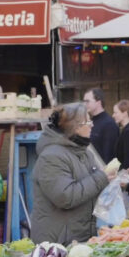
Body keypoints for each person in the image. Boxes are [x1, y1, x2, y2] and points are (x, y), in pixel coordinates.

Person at [31, 102, 114, 244]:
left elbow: (90, 188)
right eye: (87, 121)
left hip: (80, 237)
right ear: (74, 127)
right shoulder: (51, 157)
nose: (92, 125)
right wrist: (101, 178)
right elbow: (65, 197)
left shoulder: (85, 154)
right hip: (58, 243)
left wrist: (111, 180)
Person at [84, 88, 119, 162]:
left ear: (98, 102)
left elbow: (110, 155)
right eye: (84, 102)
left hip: (103, 170)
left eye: (87, 101)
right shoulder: (91, 121)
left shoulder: (109, 124)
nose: (85, 104)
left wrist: (106, 173)